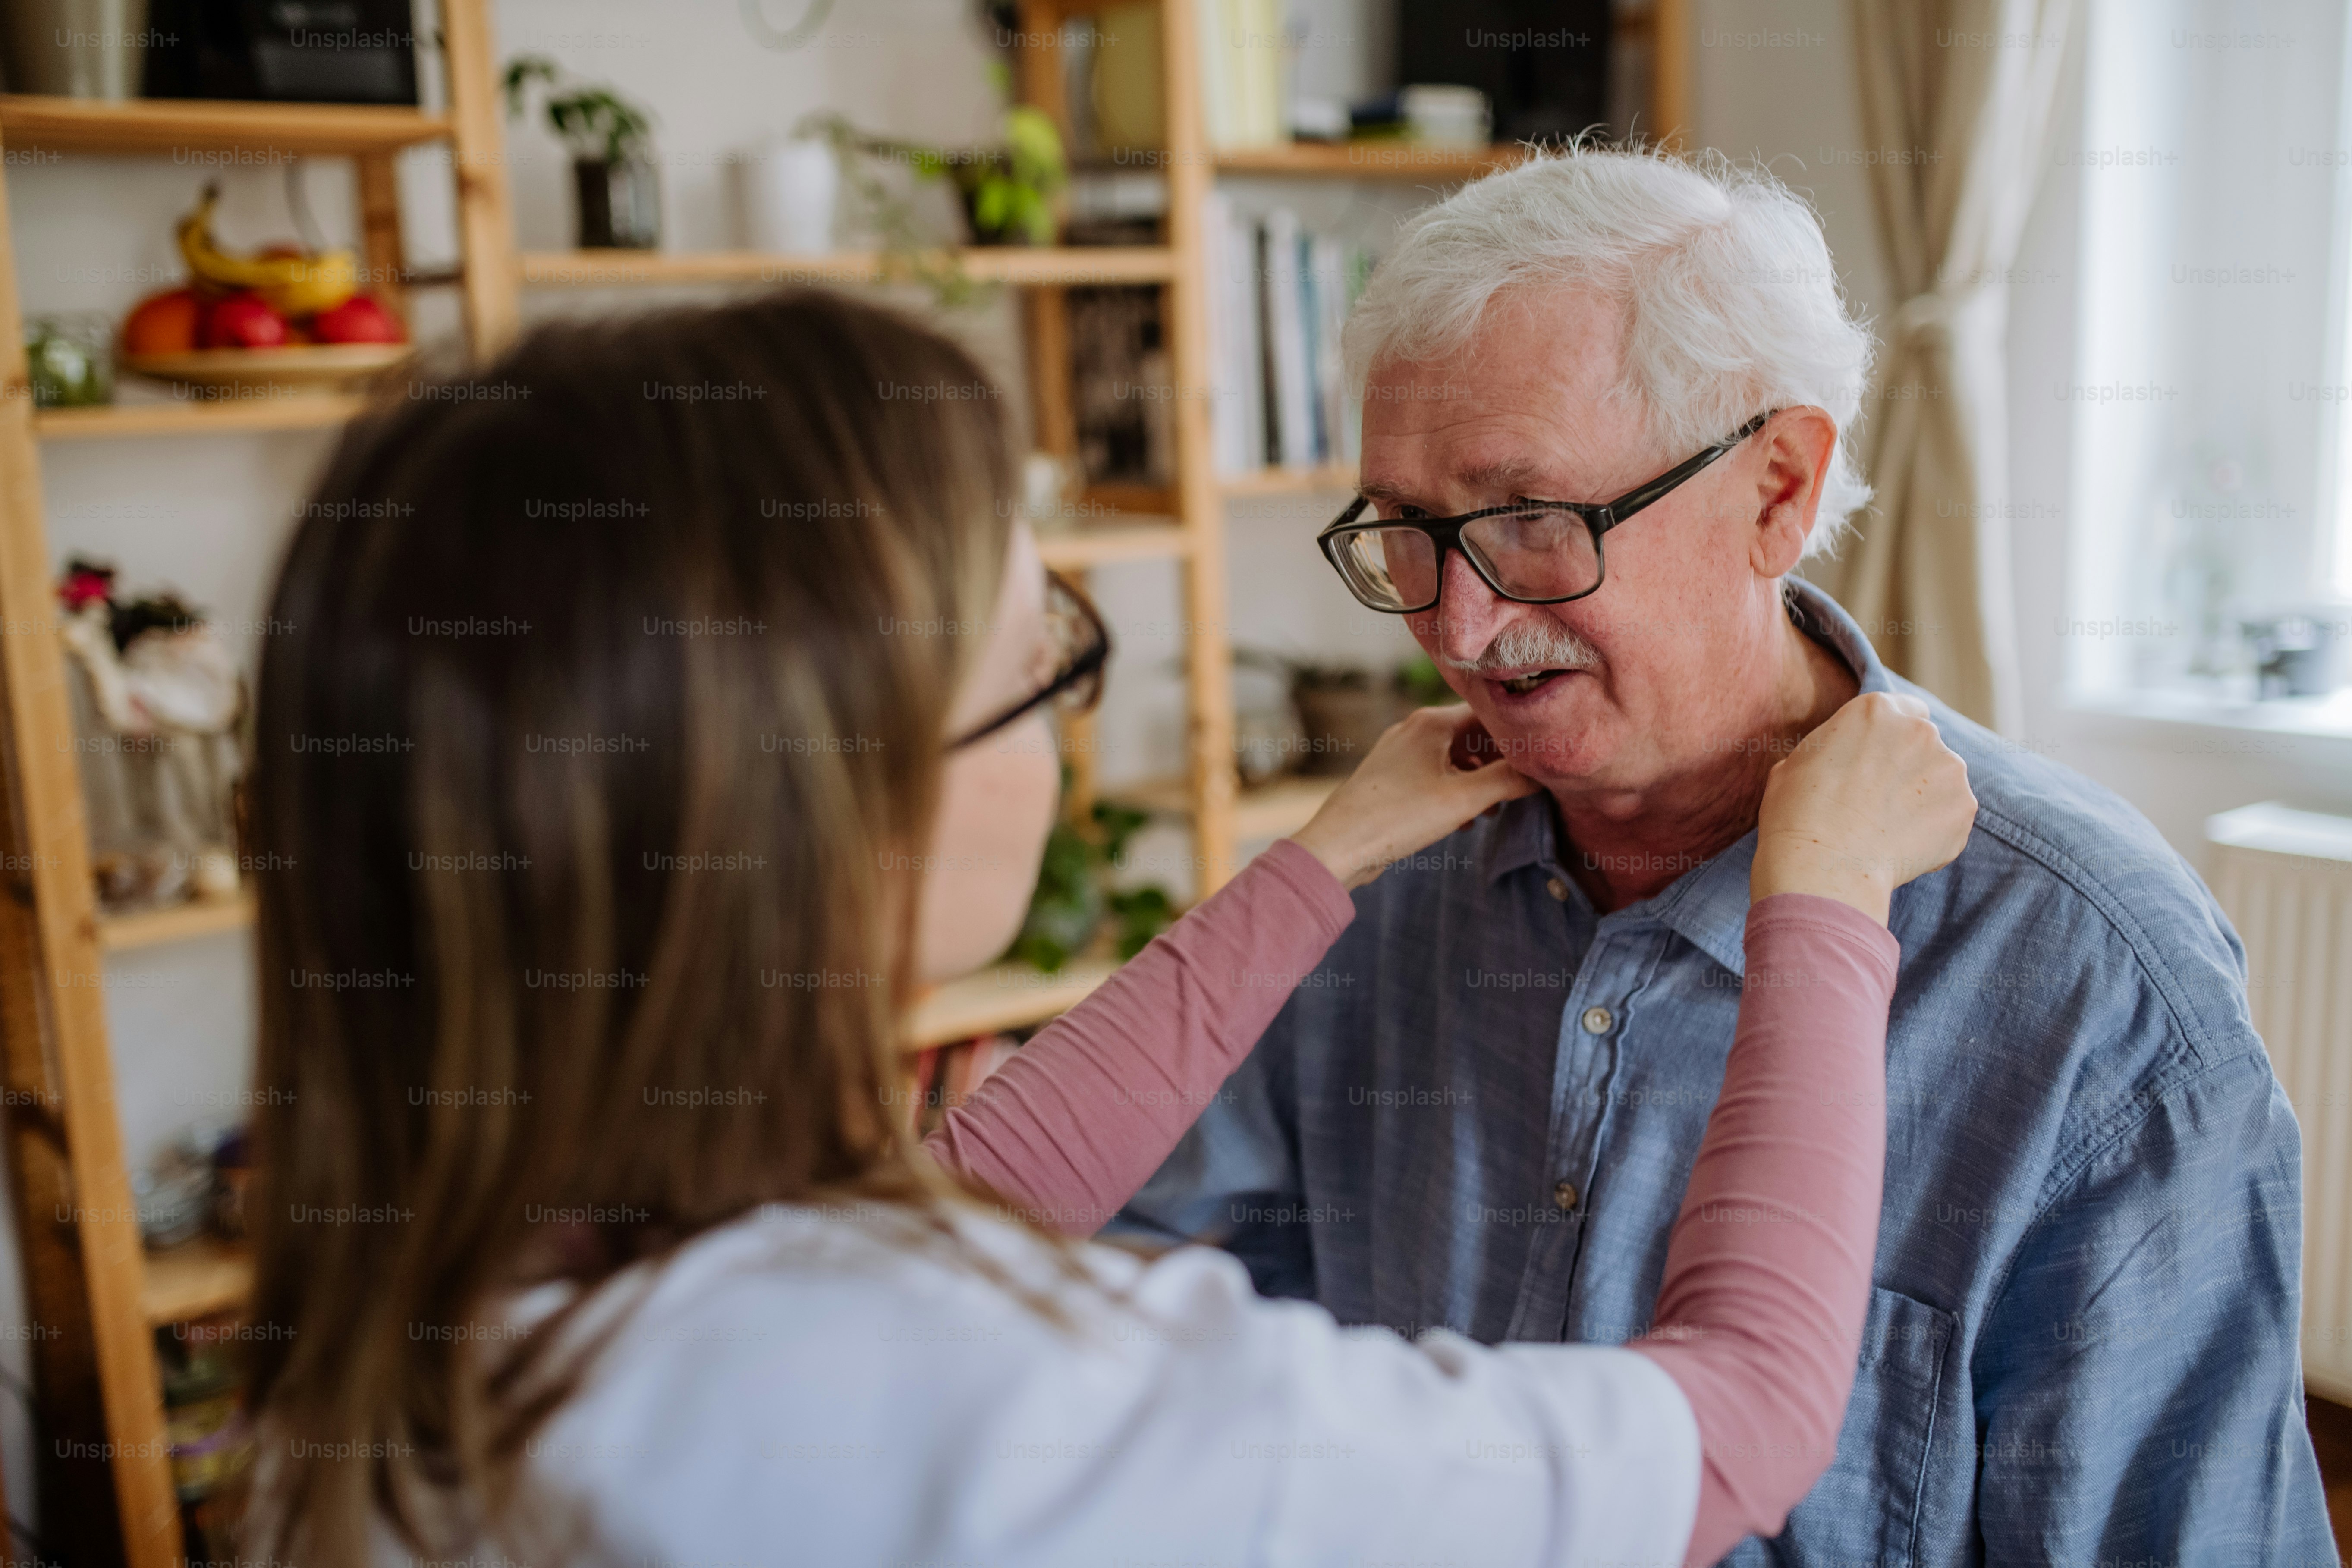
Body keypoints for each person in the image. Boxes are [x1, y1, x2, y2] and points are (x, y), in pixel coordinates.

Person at [238, 291, 1974, 1567]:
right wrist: (1821, 906)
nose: (1456, 631)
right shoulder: (1004, 1409)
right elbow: (1742, 1420)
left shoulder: (427, 1323)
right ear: (844, 808)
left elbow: (952, 1202)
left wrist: (1321, 859)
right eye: (1039, 664)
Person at [1119, 144, 2340, 1565]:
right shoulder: (1372, 889)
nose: (1454, 629)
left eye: (1531, 521)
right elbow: (1101, 1283)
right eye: (1405, 530)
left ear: (1775, 488)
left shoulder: (2093, 980)